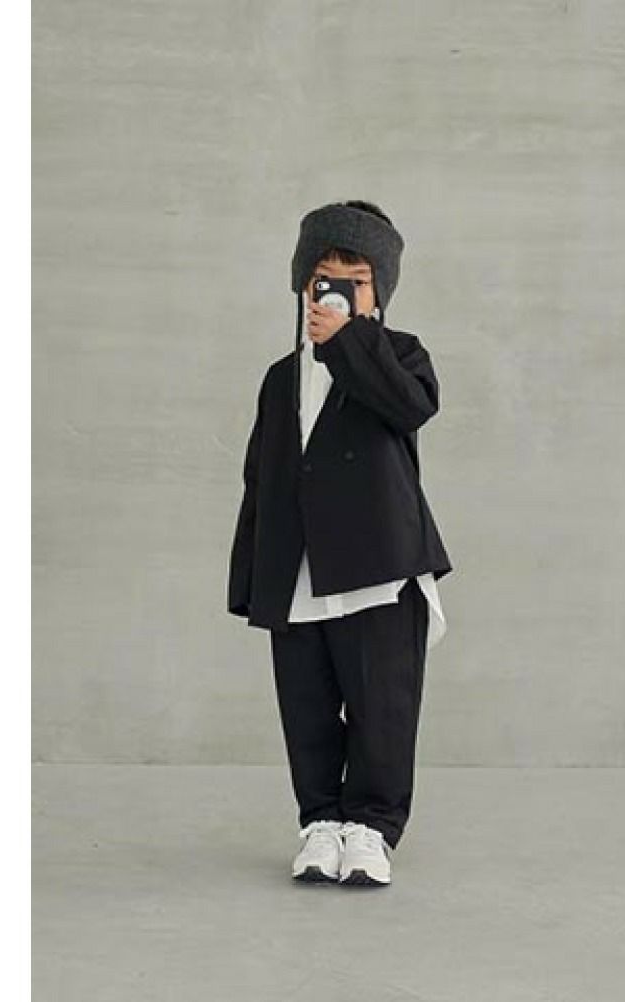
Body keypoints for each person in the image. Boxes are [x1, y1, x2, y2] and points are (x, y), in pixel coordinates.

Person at [226, 199, 454, 886]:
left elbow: (411, 407)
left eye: (357, 281)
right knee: (308, 705)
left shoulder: (399, 355)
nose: (339, 293)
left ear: (378, 292)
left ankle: (372, 829)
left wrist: (349, 340)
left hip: (379, 566)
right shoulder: (280, 377)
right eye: (325, 279)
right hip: (298, 568)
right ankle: (321, 822)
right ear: (303, 286)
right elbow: (261, 477)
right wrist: (253, 575)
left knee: (383, 705)